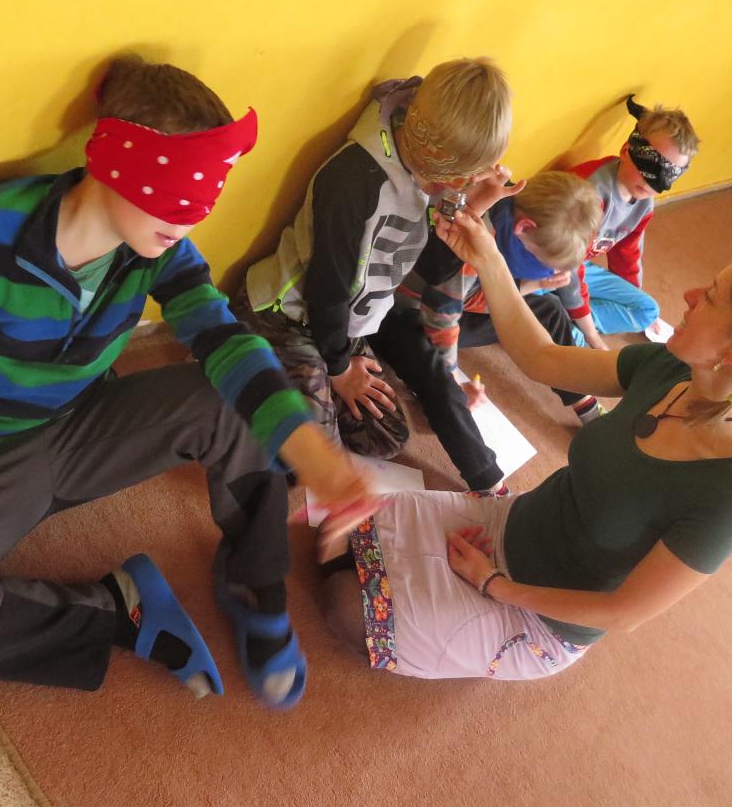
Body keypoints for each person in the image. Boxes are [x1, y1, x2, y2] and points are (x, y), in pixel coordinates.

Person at [0, 54, 374, 710]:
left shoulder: (160, 250)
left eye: (200, 206)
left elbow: (226, 343)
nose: (187, 224)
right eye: (174, 200)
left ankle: (254, 587)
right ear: (115, 164)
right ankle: (116, 609)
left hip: (84, 426)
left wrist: (314, 456)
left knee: (238, 398)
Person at [317, 208, 732, 680]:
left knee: (344, 605)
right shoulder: (670, 367)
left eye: (710, 298)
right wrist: (487, 256)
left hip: (540, 616)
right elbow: (542, 358)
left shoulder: (731, 494)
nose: (690, 296)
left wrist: (495, 585)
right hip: (513, 522)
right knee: (338, 538)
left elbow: (623, 613)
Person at [237, 58, 512, 493]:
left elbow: (428, 268)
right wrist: (339, 368)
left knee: (386, 438)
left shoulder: (430, 173)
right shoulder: (353, 178)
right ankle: (242, 364)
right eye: (456, 179)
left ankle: (298, 386)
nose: (456, 188)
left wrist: (472, 206)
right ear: (435, 157)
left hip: (348, 323)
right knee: (306, 466)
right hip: (286, 313)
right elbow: (326, 291)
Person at [397, 168, 606, 425]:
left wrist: (535, 284)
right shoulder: (473, 235)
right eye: (540, 259)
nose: (550, 271)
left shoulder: (517, 210)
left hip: (457, 300)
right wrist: (453, 381)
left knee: (550, 308)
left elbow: (483, 292)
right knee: (428, 358)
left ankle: (583, 404)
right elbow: (443, 316)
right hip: (414, 310)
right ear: (524, 227)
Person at [568, 95, 700, 346]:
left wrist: (630, 294)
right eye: (650, 167)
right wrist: (587, 327)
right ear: (627, 150)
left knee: (647, 310)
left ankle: (569, 320)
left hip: (579, 268)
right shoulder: (589, 194)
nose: (652, 184)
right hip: (546, 268)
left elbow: (627, 254)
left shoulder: (643, 205)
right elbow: (565, 262)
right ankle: (567, 320)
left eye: (667, 177)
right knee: (577, 339)